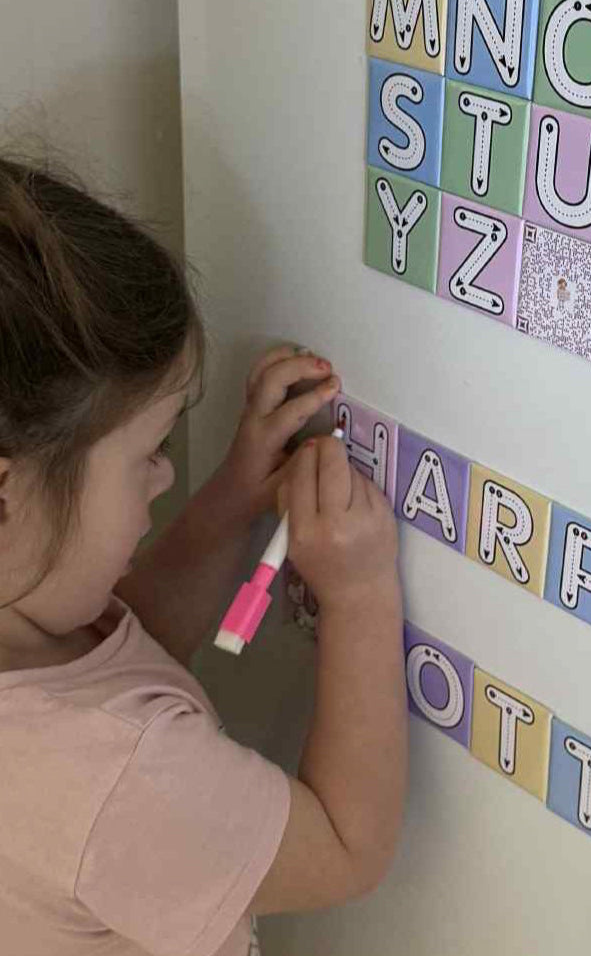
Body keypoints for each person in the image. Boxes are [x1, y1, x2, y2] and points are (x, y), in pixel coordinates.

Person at [0, 157, 408, 955]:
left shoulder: (36, 643)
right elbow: (346, 847)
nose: (166, 474)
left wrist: (233, 496)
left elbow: (125, 649)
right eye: (147, 452)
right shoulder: (109, 777)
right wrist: (359, 596)